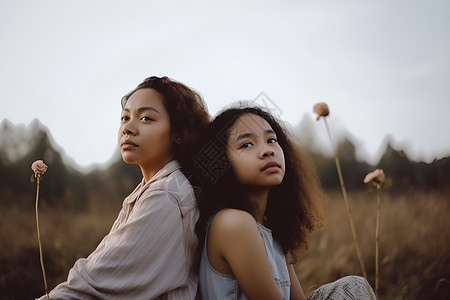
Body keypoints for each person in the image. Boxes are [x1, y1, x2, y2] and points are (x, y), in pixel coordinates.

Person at [37, 76, 210, 300]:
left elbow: (96, 286)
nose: (127, 128)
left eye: (146, 118)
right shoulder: (152, 189)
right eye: (124, 117)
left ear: (178, 132)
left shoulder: (166, 196)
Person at [194, 103, 375, 300]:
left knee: (353, 287)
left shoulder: (270, 227)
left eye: (271, 140)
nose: (267, 150)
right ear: (221, 161)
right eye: (246, 144)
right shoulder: (233, 223)